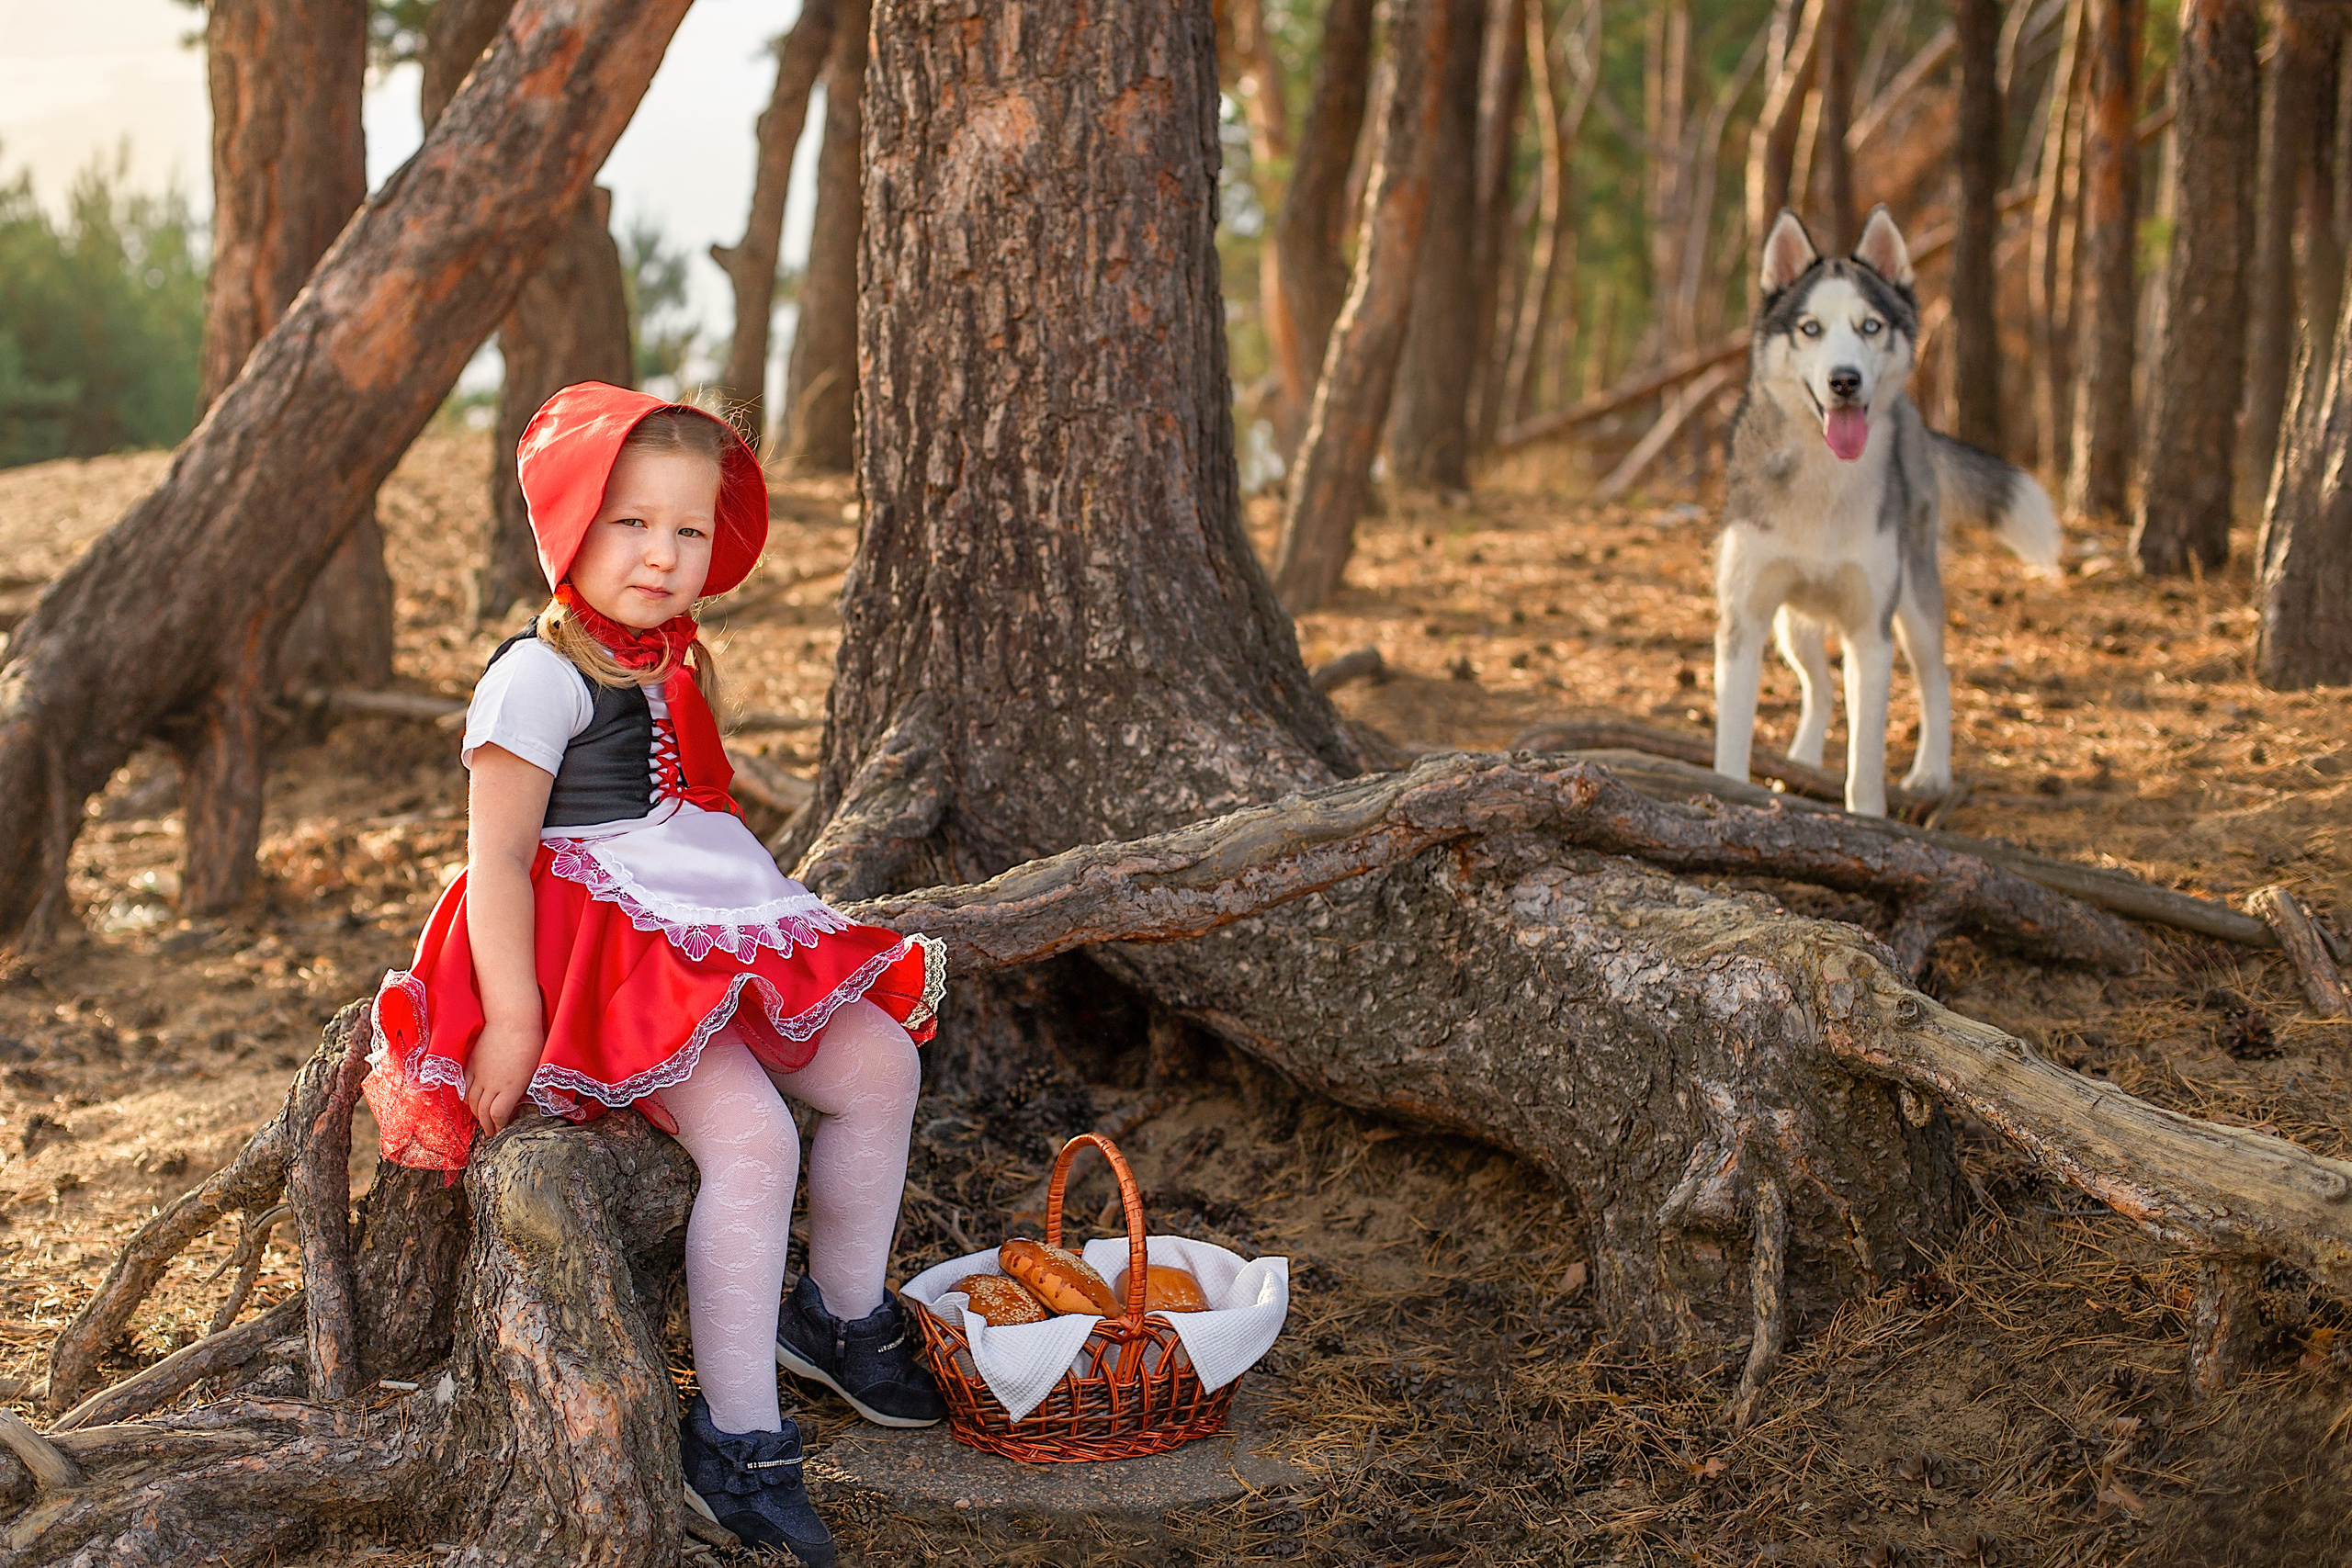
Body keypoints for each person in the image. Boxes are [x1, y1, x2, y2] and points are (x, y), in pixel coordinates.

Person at [362, 382, 946, 1566]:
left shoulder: (676, 658)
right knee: (754, 1141)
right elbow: (499, 865)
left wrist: (752, 930)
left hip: (698, 922)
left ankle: (837, 1317)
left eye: (688, 532)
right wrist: (514, 1017)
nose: (662, 555)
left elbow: (698, 811)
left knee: (881, 1061)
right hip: (599, 962)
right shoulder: (537, 679)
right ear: (573, 525)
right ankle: (737, 1446)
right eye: (632, 524)